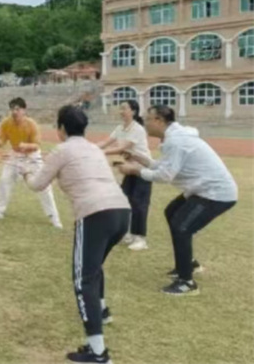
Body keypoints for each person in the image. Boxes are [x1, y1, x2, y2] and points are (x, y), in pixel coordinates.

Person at [23, 105, 130, 364]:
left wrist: (26, 172)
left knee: (84, 281)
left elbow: (38, 184)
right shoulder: (93, 148)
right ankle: (102, 311)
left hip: (95, 214)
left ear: (61, 128)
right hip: (121, 212)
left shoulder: (61, 150)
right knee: (94, 268)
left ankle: (98, 353)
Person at [118, 105, 237, 296]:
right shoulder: (174, 138)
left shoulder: (176, 141)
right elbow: (163, 166)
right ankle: (189, 265)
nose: (145, 123)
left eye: (147, 119)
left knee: (182, 226)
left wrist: (135, 170)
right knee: (172, 212)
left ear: (159, 121)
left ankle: (186, 283)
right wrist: (139, 159)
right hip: (202, 190)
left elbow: (164, 176)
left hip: (216, 193)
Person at [0, 97, 61, 228]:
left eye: (17, 109)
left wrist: (25, 145)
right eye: (12, 109)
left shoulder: (31, 124)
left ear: (24, 110)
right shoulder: (6, 123)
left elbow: (36, 145)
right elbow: (2, 140)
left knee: (43, 186)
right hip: (15, 154)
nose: (14, 112)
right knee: (4, 180)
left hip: (32, 156)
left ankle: (54, 217)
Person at [98, 100, 152, 251]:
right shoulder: (120, 128)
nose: (121, 111)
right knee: (125, 200)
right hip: (129, 168)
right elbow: (106, 142)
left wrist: (100, 152)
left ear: (133, 111)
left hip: (142, 169)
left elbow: (122, 147)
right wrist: (90, 147)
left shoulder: (138, 129)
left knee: (139, 203)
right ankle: (127, 234)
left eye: (124, 109)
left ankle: (140, 238)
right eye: (120, 108)